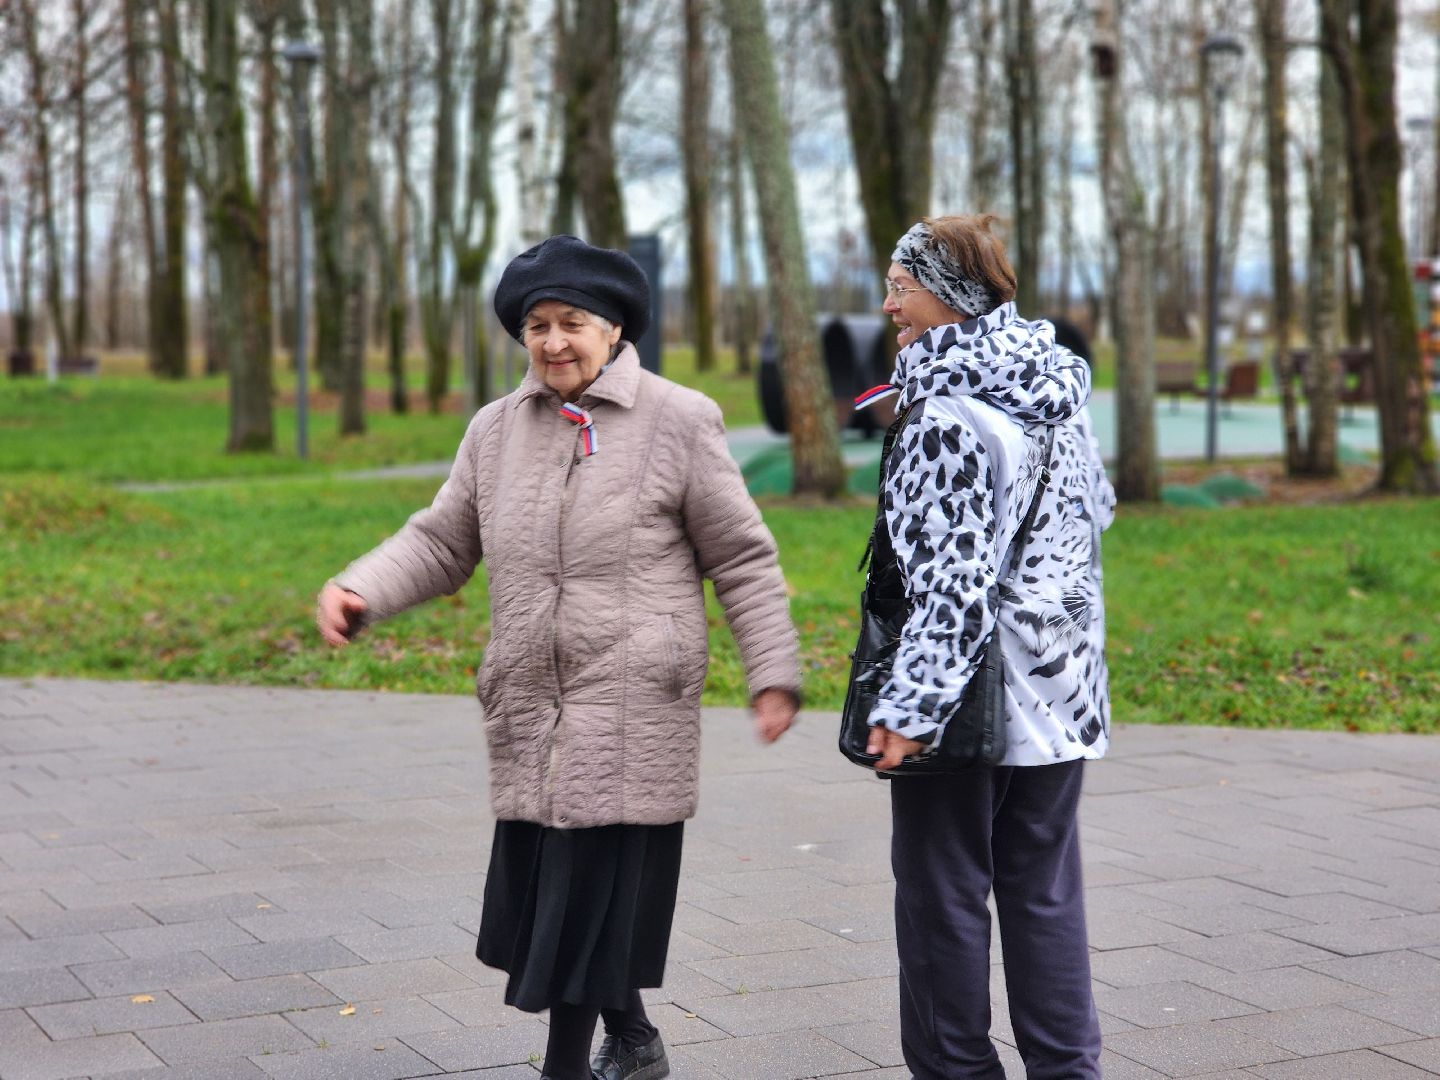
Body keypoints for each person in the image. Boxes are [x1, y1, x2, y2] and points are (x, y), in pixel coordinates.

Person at [316, 234, 801, 1080]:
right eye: (536, 325)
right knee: (559, 901)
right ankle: (638, 1038)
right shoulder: (496, 430)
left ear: (614, 329)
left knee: (581, 902)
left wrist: (772, 673)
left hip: (630, 704)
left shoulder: (678, 420)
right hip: (533, 703)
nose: (552, 343)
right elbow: (442, 541)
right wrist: (364, 589)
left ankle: (565, 1071)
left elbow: (742, 557)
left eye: (571, 322)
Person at [863, 214, 1115, 1079]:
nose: (888, 304)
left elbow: (953, 585)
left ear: (950, 297)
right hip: (1063, 696)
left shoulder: (944, 416)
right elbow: (1098, 514)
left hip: (969, 707)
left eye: (901, 286)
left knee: (942, 904)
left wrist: (909, 712)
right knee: (1045, 897)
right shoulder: (1057, 393)